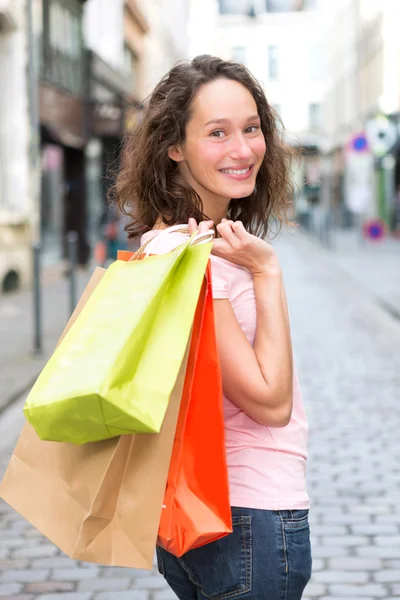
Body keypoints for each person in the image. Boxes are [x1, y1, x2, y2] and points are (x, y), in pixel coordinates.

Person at [114, 55, 311, 600]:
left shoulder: (164, 244)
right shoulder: (190, 257)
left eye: (251, 129)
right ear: (173, 146)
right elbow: (270, 403)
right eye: (217, 133)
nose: (243, 149)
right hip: (247, 517)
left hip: (197, 514)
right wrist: (266, 272)